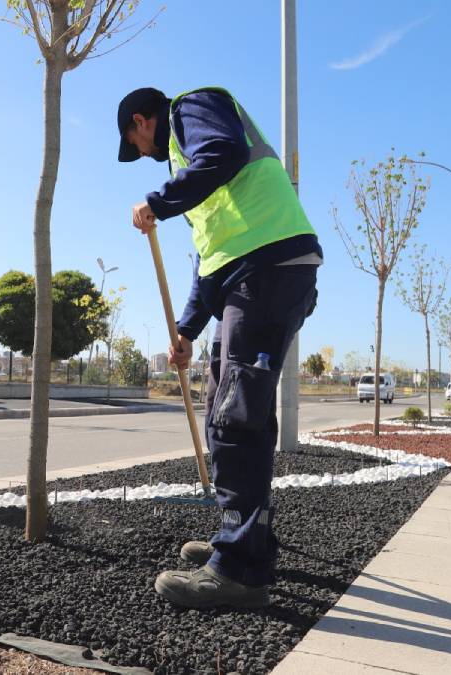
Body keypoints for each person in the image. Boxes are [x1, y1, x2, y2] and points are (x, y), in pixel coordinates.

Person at [117, 86, 321, 608]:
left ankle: (238, 571)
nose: (143, 153)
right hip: (246, 274)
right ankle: (249, 543)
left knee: (237, 417)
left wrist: (159, 202)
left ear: (143, 121)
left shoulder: (194, 107)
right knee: (224, 412)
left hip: (269, 269)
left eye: (134, 142)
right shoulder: (194, 175)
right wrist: (185, 330)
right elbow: (211, 258)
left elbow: (224, 154)